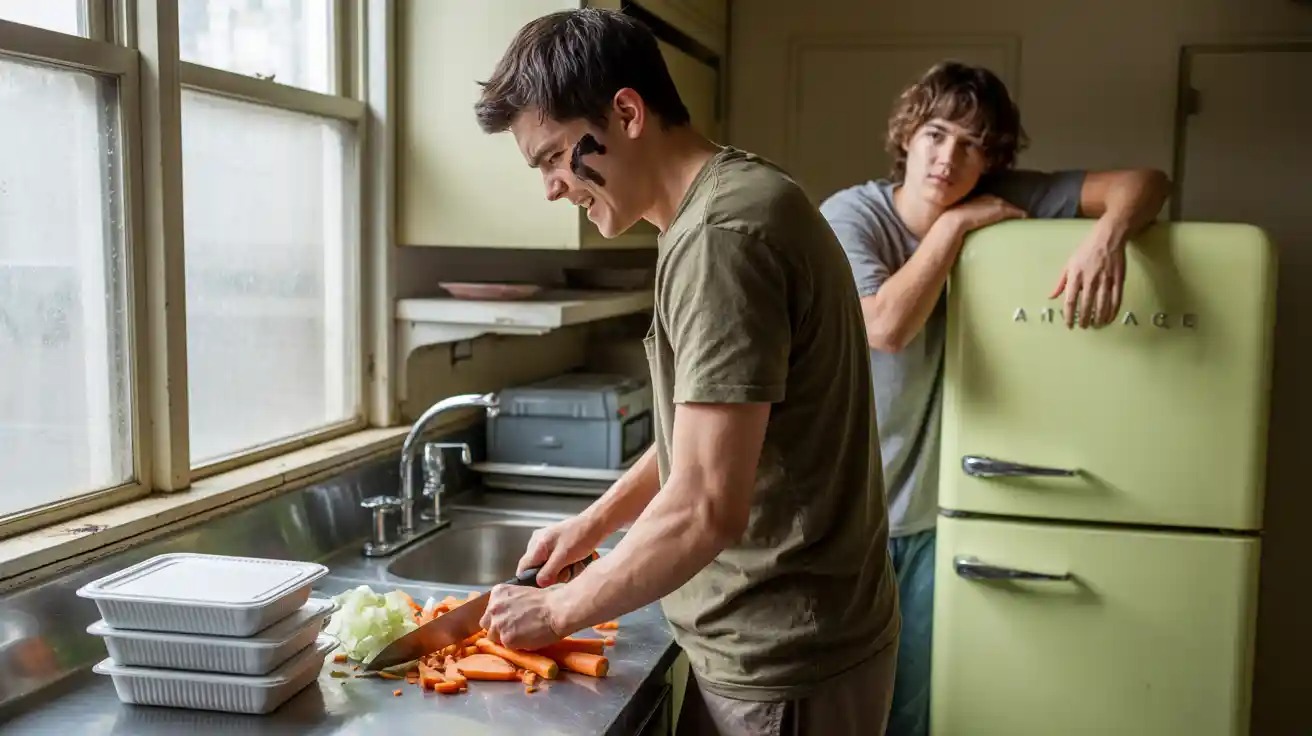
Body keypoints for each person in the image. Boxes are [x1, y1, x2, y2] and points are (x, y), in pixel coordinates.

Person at [470, 8, 900, 735]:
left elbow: (705, 503)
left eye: (552, 158)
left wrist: (558, 609)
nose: (551, 187)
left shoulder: (720, 238)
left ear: (626, 114)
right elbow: (708, 432)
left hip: (784, 659)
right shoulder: (727, 202)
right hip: (786, 642)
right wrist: (594, 524)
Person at [818, 60, 1171, 736]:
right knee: (838, 708)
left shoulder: (1002, 196)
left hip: (933, 517)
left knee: (913, 710)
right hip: (841, 519)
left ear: (992, 159)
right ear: (907, 136)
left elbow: (1146, 182)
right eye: (935, 134)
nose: (947, 159)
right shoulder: (851, 215)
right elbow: (885, 327)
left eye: (971, 145)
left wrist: (1107, 240)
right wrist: (953, 229)